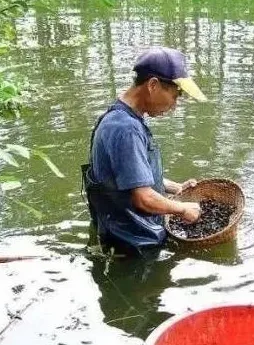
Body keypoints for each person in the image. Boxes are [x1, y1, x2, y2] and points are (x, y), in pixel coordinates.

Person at [82, 46, 207, 256]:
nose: (174, 106)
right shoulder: (126, 129)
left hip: (122, 235)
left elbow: (129, 176)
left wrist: (175, 188)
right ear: (153, 85)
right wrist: (183, 209)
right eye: (175, 96)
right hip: (131, 248)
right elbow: (143, 198)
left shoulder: (120, 117)